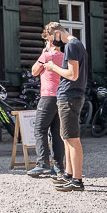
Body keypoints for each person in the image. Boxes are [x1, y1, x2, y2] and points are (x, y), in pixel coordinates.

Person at [40, 22, 88, 191]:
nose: (53, 43)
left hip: (70, 95)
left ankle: (77, 180)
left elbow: (72, 74)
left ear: (57, 33)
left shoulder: (71, 46)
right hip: (69, 95)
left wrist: (53, 67)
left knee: (72, 139)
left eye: (52, 39)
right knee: (66, 137)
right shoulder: (76, 44)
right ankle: (69, 174)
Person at [26, 32, 65, 179]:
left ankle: (42, 163)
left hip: (48, 96)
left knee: (40, 129)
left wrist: (43, 54)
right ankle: (58, 166)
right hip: (60, 97)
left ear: (50, 42)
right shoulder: (64, 56)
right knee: (56, 133)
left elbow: (34, 71)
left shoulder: (47, 56)